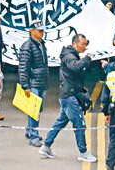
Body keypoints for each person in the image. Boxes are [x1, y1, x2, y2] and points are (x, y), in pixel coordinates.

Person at [39, 34, 97, 162]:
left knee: (60, 122)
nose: (85, 47)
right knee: (80, 124)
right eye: (83, 44)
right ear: (75, 44)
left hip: (68, 95)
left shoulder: (70, 54)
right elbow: (75, 66)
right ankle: (83, 152)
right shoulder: (69, 56)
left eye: (86, 44)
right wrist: (87, 59)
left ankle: (46, 146)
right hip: (70, 96)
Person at [18, 19, 49, 147]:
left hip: (41, 81)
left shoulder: (41, 44)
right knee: (34, 110)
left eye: (42, 29)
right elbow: (23, 68)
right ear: (31, 31)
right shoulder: (27, 47)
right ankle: (33, 136)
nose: (42, 32)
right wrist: (26, 85)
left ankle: (30, 130)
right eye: (39, 30)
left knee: (37, 109)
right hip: (33, 82)